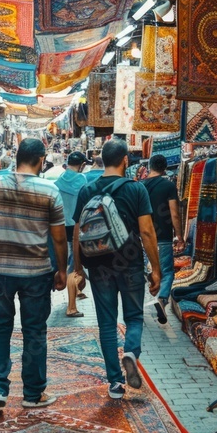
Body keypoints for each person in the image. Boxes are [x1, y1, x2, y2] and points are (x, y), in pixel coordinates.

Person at [0, 138, 68, 411]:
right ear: (40, 159)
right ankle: (32, 394)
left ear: (17, 158)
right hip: (36, 272)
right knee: (34, 330)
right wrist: (62, 270)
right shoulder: (49, 190)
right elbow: (59, 239)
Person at [73, 139, 160, 399]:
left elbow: (77, 233)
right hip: (130, 263)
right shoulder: (137, 189)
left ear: (102, 159)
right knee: (133, 317)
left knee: (107, 324)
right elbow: (146, 231)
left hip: (99, 266)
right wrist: (156, 269)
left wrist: (78, 269)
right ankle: (131, 351)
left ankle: (115, 383)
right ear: (125, 160)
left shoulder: (87, 190)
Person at [141, 154, 185, 325]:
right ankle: (162, 299)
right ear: (165, 168)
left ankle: (141, 303)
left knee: (146, 270)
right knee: (166, 272)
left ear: (149, 166)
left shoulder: (140, 185)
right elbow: (174, 212)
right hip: (163, 237)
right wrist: (179, 236)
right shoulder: (168, 185)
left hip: (142, 236)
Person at [55, 151, 93, 317]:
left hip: (59, 226)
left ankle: (75, 292)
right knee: (74, 265)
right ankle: (71, 306)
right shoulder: (82, 180)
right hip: (76, 226)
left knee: (66, 261)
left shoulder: (58, 180)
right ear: (82, 165)